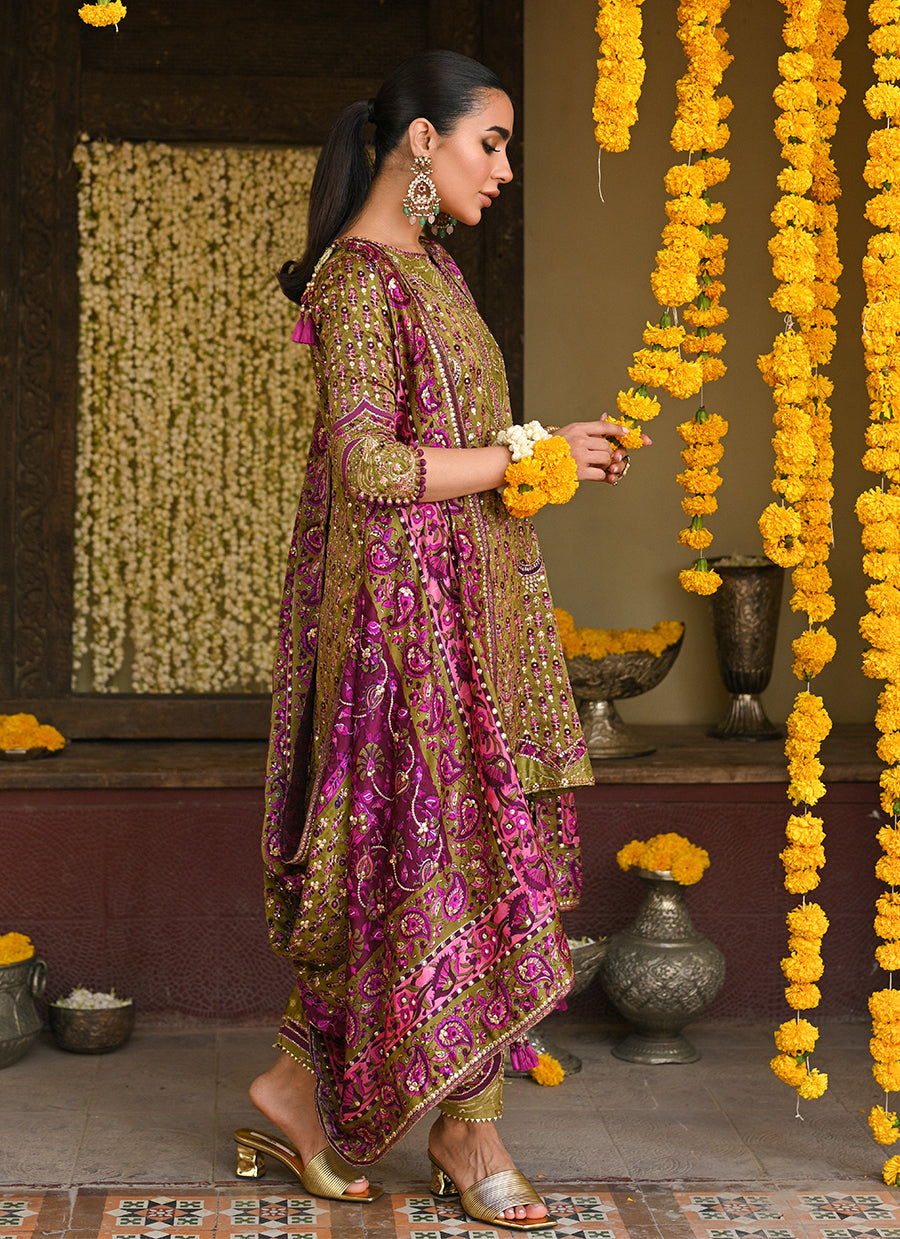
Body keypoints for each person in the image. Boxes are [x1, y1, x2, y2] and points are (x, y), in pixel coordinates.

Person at [235, 49, 644, 1231]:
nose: (505, 168)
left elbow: (469, 455)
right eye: (490, 142)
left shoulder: (440, 275)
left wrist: (547, 453)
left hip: (472, 619)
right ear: (422, 141)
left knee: (432, 866)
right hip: (403, 642)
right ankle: (468, 1133)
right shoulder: (360, 283)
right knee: (434, 867)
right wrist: (531, 458)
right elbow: (370, 466)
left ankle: (292, 1089)